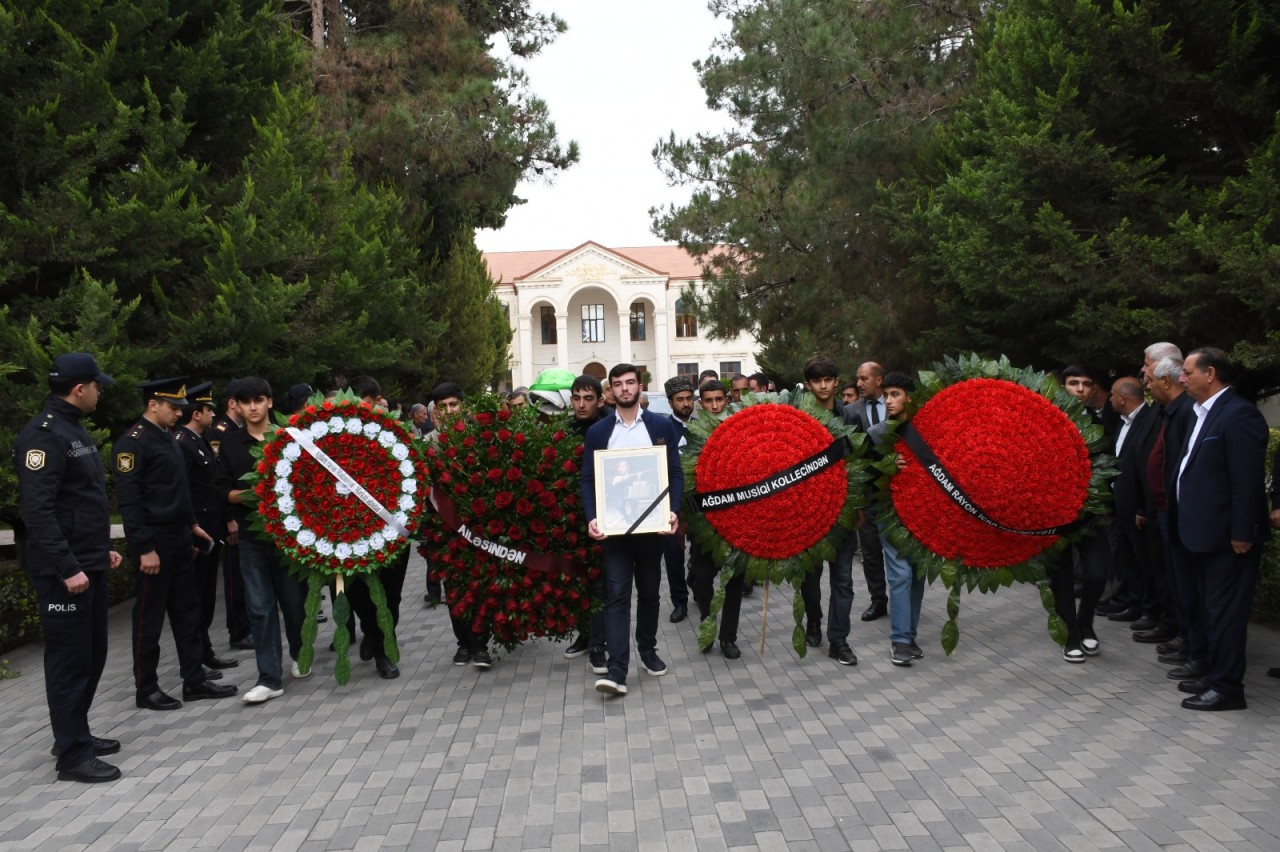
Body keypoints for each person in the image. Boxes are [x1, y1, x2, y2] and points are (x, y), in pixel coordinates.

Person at [14, 353, 124, 782]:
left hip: (86, 560)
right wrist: (67, 566)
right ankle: (73, 757)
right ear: (80, 389)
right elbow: (38, 512)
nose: (99, 392)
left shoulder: (71, 428)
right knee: (69, 662)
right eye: (97, 385)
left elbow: (81, 502)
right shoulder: (43, 436)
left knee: (92, 654)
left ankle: (73, 733)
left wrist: (100, 551)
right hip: (64, 573)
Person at [114, 377, 237, 710]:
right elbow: (130, 502)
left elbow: (179, 491)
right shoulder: (133, 443)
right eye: (173, 407)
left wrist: (192, 525)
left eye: (182, 408)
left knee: (187, 612)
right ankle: (147, 689)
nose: (180, 413)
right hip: (155, 542)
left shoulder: (168, 438)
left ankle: (194, 679)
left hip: (180, 537)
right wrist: (143, 548)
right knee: (149, 619)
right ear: (153, 405)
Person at [1172, 348, 1269, 711]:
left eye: (1187, 372)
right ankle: (1215, 672)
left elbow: (1246, 481)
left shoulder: (1239, 413)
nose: (1182, 378)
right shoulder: (1202, 413)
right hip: (1201, 533)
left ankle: (1228, 688)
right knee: (1210, 610)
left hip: (1229, 538)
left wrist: (1242, 532)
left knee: (1225, 613)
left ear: (1209, 373)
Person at [583, 364, 683, 696]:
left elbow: (675, 474)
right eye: (618, 385)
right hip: (615, 531)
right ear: (610, 392)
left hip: (653, 529)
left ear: (640, 386)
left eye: (630, 383)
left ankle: (647, 649)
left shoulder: (660, 426)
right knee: (617, 596)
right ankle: (617, 670)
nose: (625, 389)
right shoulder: (598, 433)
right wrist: (592, 516)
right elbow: (588, 480)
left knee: (651, 594)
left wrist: (673, 511)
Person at [214, 377, 308, 704]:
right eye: (245, 401)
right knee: (259, 607)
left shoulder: (288, 436)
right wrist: (253, 494)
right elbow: (222, 489)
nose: (252, 407)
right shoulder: (229, 443)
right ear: (236, 406)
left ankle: (299, 650)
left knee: (294, 601)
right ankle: (269, 676)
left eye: (258, 400)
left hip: (287, 537)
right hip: (252, 538)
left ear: (269, 402)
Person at [342, 375, 409, 679]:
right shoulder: (331, 436)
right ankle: (371, 630)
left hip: (392, 527)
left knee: (390, 595)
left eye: (370, 403)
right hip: (351, 532)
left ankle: (384, 650)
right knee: (358, 593)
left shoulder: (392, 431)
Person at [174, 382, 240, 676]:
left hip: (210, 526)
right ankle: (197, 655)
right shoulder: (183, 442)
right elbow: (184, 490)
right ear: (197, 413)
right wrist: (191, 527)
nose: (213, 415)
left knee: (207, 594)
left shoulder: (197, 439)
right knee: (197, 595)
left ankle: (206, 650)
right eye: (208, 410)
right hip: (199, 528)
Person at [426, 382, 494, 670]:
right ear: (435, 411)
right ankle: (463, 643)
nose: (449, 411)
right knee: (453, 588)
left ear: (462, 407)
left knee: (480, 587)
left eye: (454, 405)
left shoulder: (478, 438)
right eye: (443, 407)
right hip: (443, 529)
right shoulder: (427, 443)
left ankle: (480, 643)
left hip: (476, 528)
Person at [796, 355, 859, 666]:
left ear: (836, 382)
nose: (822, 385)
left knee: (843, 580)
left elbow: (861, 465)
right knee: (810, 578)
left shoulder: (852, 419)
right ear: (809, 384)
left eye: (828, 379)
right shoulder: (799, 420)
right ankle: (813, 619)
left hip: (844, 512)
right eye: (816, 380)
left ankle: (839, 640)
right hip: (809, 514)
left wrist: (859, 506)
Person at [1049, 365, 1112, 662]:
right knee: (1060, 578)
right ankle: (1071, 635)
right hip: (1055, 516)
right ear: (1064, 387)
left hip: (1092, 513)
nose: (1080, 389)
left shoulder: (1101, 423)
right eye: (1074, 383)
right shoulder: (1046, 421)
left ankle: (1085, 620)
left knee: (1098, 575)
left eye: (1086, 384)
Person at [867, 372, 926, 666]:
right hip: (889, 514)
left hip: (924, 515)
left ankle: (910, 635)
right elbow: (863, 473)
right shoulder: (878, 433)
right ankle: (900, 641)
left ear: (910, 398)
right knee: (900, 574)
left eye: (895, 395)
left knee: (917, 575)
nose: (888, 401)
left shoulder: (928, 430)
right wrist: (885, 466)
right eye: (886, 395)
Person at [687, 380, 746, 659]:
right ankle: (708, 624)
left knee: (733, 581)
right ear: (701, 402)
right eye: (708, 400)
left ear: (727, 400)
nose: (714, 405)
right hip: (704, 523)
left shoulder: (741, 431)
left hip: (738, 521)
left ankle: (728, 637)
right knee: (700, 579)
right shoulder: (692, 434)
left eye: (718, 400)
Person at [562, 375, 612, 673]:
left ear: (599, 400)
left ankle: (599, 644)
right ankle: (584, 635)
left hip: (604, 517)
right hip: (572, 518)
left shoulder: (609, 428)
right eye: (577, 398)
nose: (581, 404)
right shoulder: (565, 430)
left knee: (600, 583)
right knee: (577, 580)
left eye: (588, 398)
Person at [209, 378, 252, 651]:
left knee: (243, 576)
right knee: (235, 577)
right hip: (231, 513)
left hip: (238, 513)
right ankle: (238, 630)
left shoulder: (239, 430)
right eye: (243, 401)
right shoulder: (221, 433)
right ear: (232, 404)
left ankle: (245, 626)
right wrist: (228, 516)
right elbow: (218, 480)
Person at [844, 361, 888, 622]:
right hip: (867, 493)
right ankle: (878, 600)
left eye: (864, 379)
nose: (859, 384)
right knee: (870, 551)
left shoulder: (896, 405)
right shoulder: (851, 411)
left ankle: (902, 594)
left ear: (879, 380)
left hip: (895, 492)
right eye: (857, 379)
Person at [662, 376, 696, 625]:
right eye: (680, 400)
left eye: (688, 398)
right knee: (674, 555)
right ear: (670, 402)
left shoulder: (703, 425)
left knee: (702, 553)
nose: (686, 404)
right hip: (673, 503)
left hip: (702, 503)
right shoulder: (663, 429)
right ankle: (680, 601)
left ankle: (697, 583)